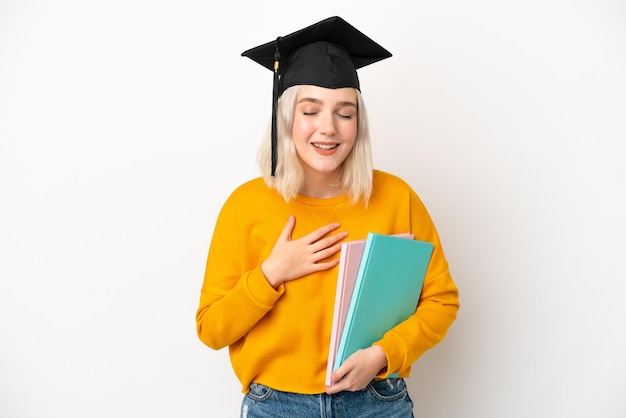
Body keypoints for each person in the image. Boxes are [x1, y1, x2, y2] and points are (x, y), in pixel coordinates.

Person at [196, 16, 460, 418]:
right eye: (311, 110)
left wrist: (383, 354)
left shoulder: (395, 198)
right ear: (285, 118)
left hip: (377, 400)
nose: (328, 128)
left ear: (359, 123)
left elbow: (440, 301)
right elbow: (212, 330)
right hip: (277, 406)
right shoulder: (245, 206)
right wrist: (271, 274)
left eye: (345, 112)